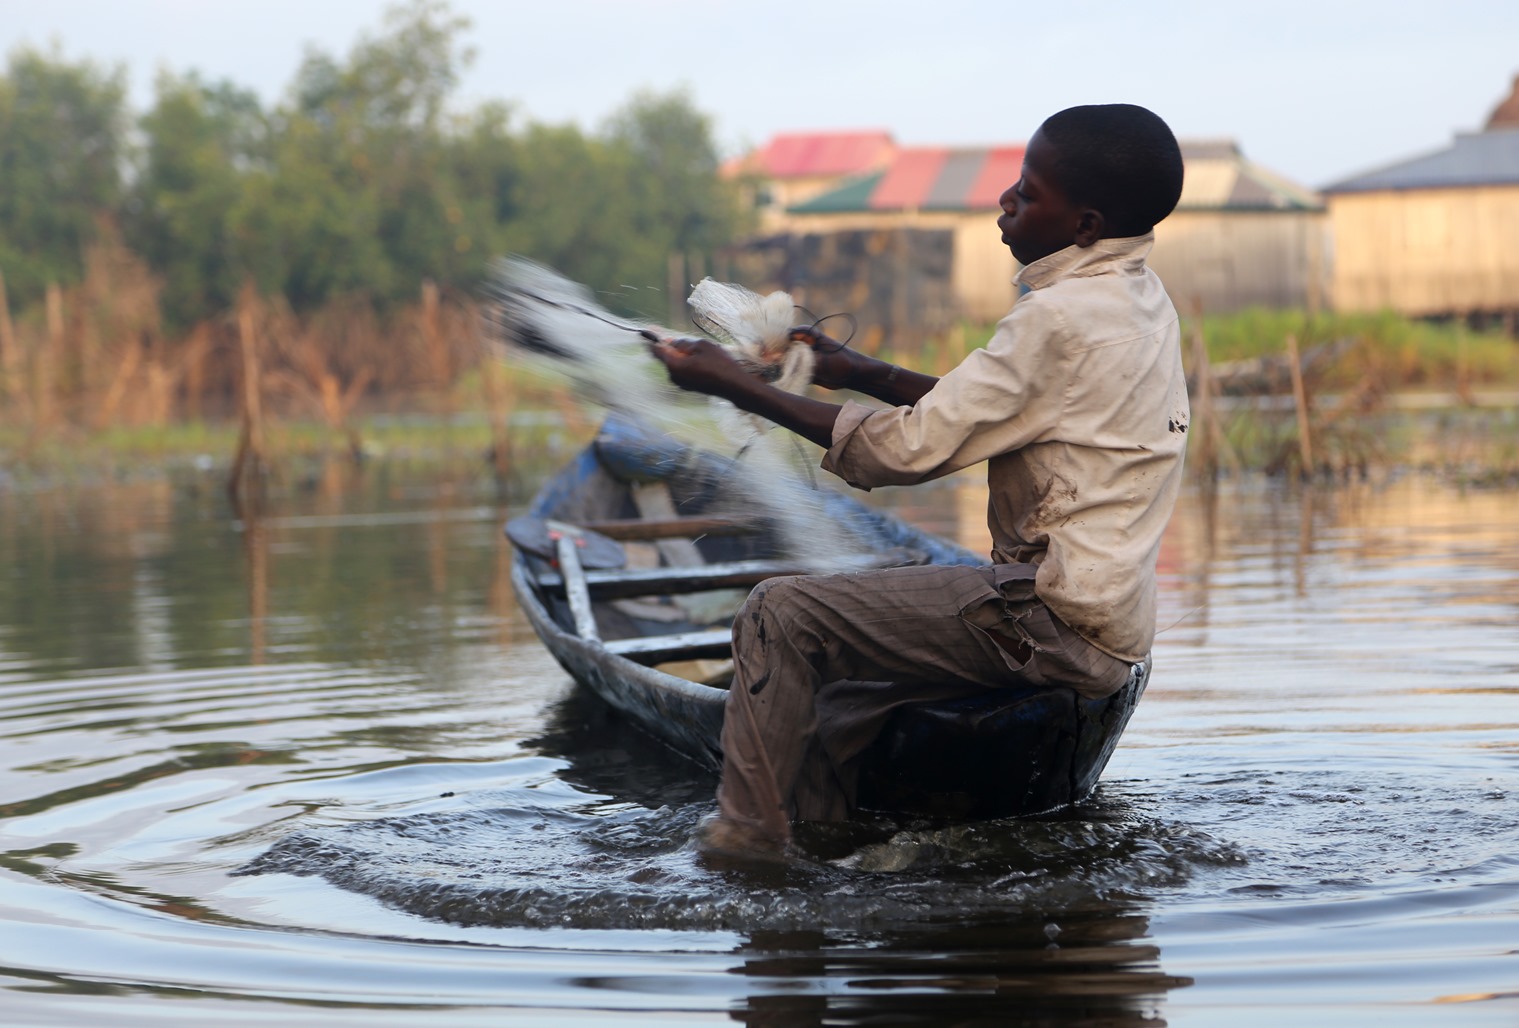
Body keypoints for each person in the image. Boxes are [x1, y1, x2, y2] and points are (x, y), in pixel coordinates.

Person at [650, 103, 1191, 862]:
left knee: (779, 615)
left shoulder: (1058, 317)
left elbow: (903, 454)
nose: (1005, 201)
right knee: (840, 712)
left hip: (1048, 622)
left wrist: (735, 389)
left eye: (1028, 194)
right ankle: (837, 839)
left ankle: (745, 848)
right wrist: (859, 373)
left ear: (1083, 223)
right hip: (1113, 628)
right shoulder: (1136, 299)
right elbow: (999, 411)